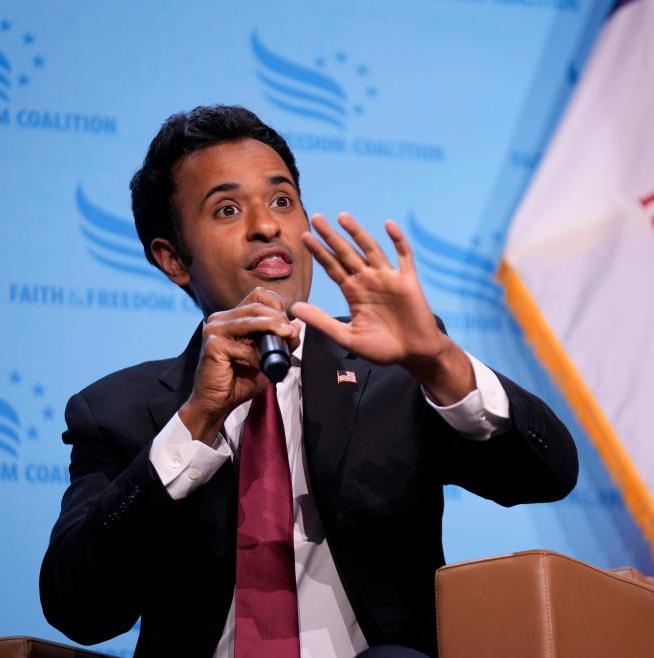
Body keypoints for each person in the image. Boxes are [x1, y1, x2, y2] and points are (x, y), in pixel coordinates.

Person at [39, 105, 577, 658]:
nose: (267, 225)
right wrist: (195, 425)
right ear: (173, 259)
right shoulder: (120, 413)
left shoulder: (393, 372)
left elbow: (546, 473)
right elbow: (78, 607)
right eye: (227, 209)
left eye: (281, 200)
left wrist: (440, 362)